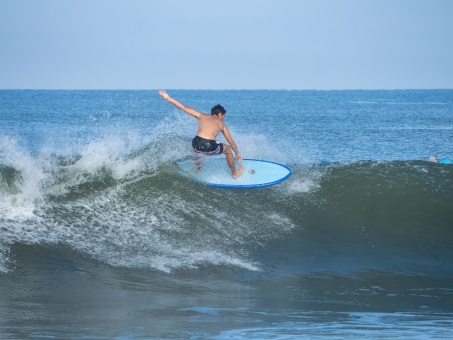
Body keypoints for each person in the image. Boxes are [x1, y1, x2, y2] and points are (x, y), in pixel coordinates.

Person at [158, 90, 244, 179]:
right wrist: (237, 153)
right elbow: (231, 142)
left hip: (195, 144)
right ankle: (235, 173)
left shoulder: (201, 115)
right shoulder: (222, 124)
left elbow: (184, 107)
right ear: (219, 114)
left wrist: (168, 98)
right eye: (223, 116)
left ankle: (197, 167)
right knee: (228, 149)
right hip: (209, 146)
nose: (223, 118)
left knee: (201, 147)